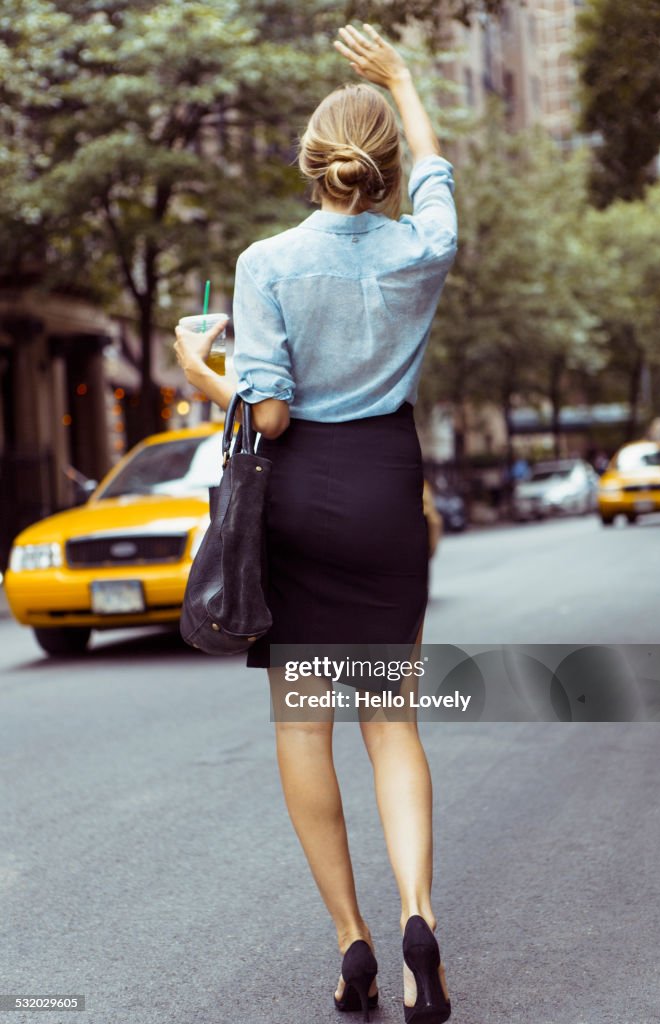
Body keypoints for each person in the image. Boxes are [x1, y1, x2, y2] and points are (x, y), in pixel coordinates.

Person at [174, 22, 456, 1024]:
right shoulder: (423, 248)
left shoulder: (263, 263)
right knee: (394, 722)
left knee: (306, 728)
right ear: (382, 174)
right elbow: (436, 177)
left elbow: (272, 414)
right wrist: (401, 80)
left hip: (298, 499)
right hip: (387, 486)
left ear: (311, 164)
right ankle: (420, 916)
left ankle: (353, 944)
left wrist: (194, 367)